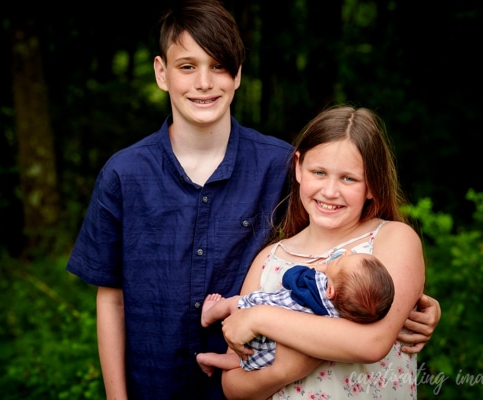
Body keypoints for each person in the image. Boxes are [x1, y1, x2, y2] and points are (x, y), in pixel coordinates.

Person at [65, 0, 441, 398]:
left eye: (219, 66)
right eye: (188, 66)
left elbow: (332, 239)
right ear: (162, 72)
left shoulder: (279, 165)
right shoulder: (123, 174)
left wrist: (407, 304)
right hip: (155, 383)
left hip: (248, 380)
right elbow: (112, 300)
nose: (204, 82)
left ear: (238, 74)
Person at [220, 105, 435, 399]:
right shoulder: (270, 260)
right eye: (319, 172)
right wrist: (283, 372)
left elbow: (371, 343)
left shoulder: (391, 239)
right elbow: (232, 386)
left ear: (372, 184)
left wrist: (259, 318)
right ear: (298, 167)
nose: (330, 191)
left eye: (348, 178)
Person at [197, 249, 395, 376]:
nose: (347, 252)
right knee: (242, 361)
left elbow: (289, 277)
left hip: (255, 318)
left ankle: (209, 315)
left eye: (342, 261)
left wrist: (318, 268)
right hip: (272, 351)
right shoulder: (343, 318)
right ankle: (209, 359)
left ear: (331, 291)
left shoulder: (317, 283)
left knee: (233, 304)